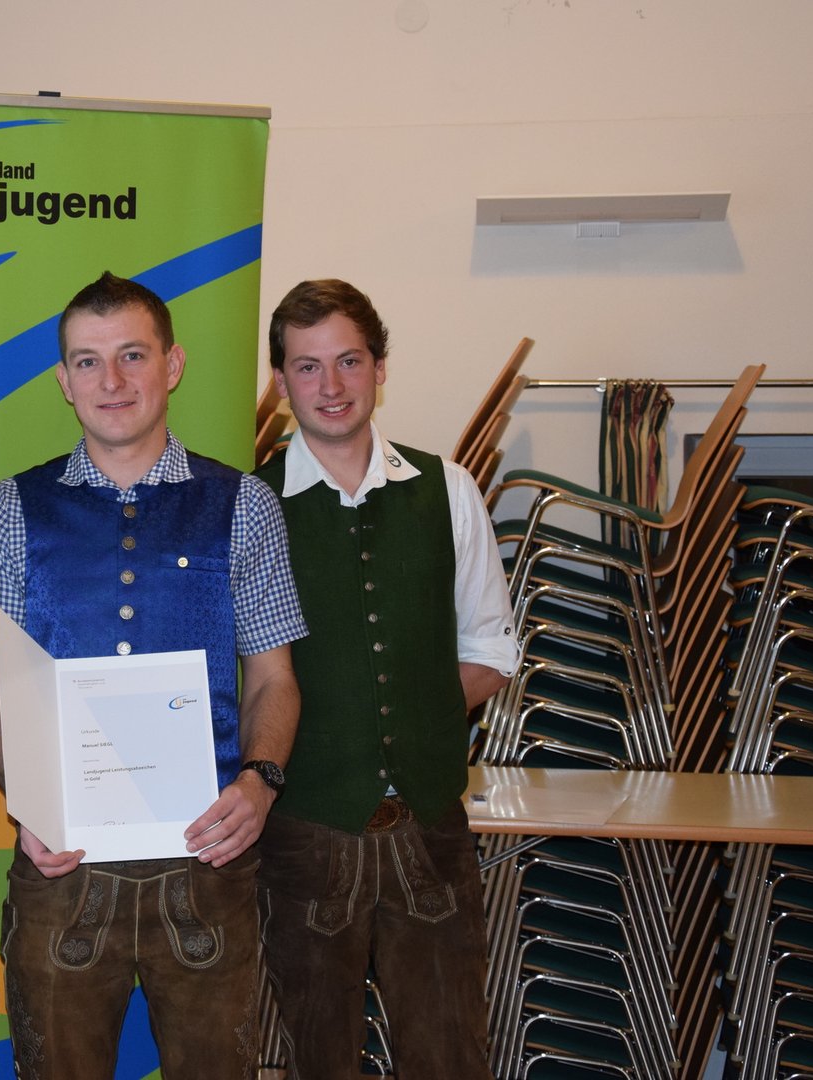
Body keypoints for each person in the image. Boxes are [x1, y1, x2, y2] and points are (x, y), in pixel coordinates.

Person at [0, 271, 306, 1079]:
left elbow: (274, 677)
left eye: (132, 355)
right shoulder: (9, 510)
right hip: (64, 866)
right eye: (88, 361)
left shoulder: (245, 504)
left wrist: (259, 783)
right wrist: (31, 797)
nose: (110, 380)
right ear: (64, 380)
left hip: (208, 864)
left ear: (172, 365)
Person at [254, 279, 517, 1079]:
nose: (330, 385)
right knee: (315, 1059)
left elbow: (491, 650)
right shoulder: (250, 504)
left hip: (430, 830)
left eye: (349, 361)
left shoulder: (449, 489)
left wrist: (407, 725)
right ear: (282, 380)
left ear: (380, 367)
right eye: (307, 367)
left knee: (450, 1053)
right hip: (303, 834)